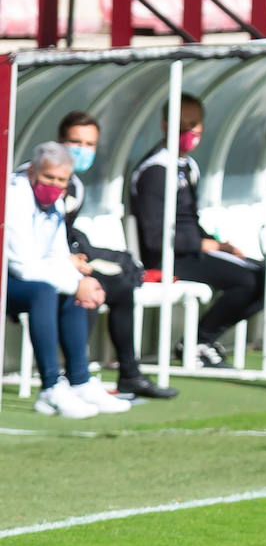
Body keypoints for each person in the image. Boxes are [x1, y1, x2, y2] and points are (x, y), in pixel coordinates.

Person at [129, 93, 266, 369]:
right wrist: (204, 245)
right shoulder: (155, 171)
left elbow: (190, 219)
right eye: (183, 124)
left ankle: (201, 339)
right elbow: (155, 238)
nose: (190, 131)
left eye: (195, 124)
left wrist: (217, 243)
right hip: (168, 259)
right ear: (166, 125)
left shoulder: (188, 166)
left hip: (192, 251)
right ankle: (196, 343)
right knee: (253, 280)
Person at [52, 111, 178, 398]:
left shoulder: (77, 186)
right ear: (60, 141)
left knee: (121, 287)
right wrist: (63, 259)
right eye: (75, 142)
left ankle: (130, 375)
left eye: (89, 144)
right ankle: (76, 375)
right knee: (90, 288)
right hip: (33, 266)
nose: (81, 150)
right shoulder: (33, 177)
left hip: (62, 262)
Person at [5, 142, 131, 418]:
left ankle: (80, 381)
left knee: (71, 289)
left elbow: (58, 254)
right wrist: (75, 284)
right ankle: (50, 387)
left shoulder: (57, 201)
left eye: (61, 180)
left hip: (31, 277)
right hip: (8, 277)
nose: (55, 185)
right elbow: (22, 265)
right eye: (48, 177)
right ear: (33, 172)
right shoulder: (14, 195)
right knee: (45, 292)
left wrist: (83, 284)